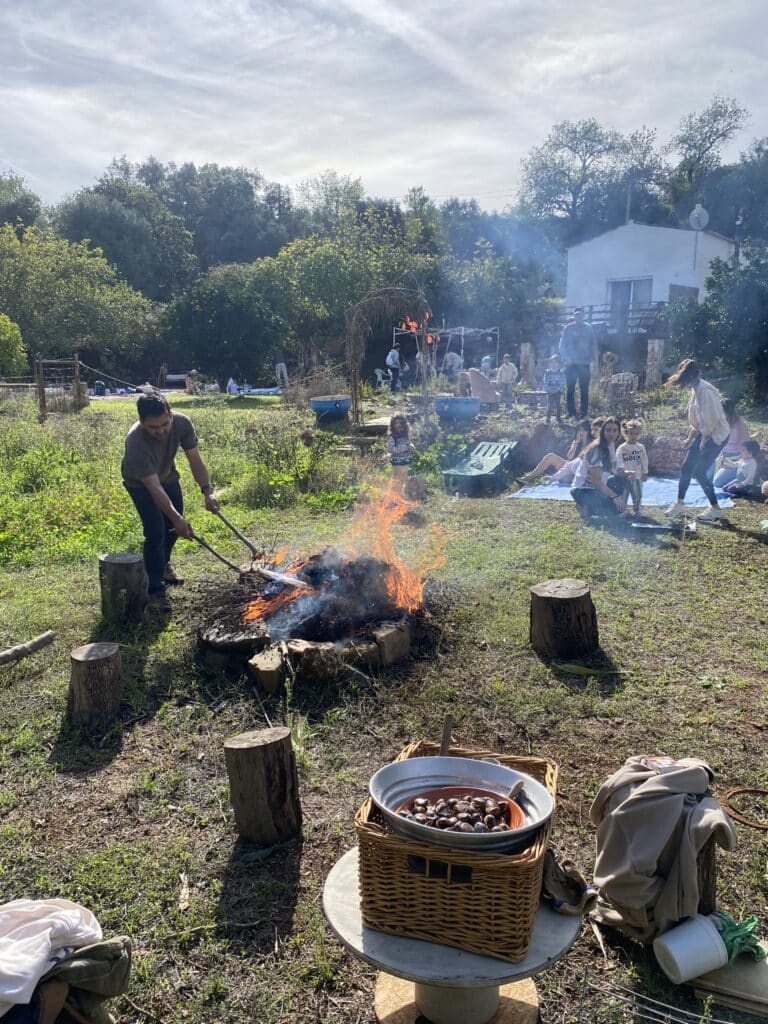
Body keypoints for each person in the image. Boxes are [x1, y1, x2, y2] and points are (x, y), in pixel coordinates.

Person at [121, 391, 219, 612]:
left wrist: (207, 492)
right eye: (153, 427)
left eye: (165, 424)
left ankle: (163, 565)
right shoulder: (135, 442)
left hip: (167, 476)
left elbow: (195, 459)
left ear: (171, 415)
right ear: (141, 422)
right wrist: (177, 519)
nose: (161, 431)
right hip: (140, 484)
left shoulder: (182, 423)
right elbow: (153, 487)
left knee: (173, 527)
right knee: (156, 530)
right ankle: (155, 590)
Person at [663, 359, 730, 521]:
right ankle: (680, 504)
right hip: (704, 433)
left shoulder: (705, 391)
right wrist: (690, 439)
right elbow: (697, 422)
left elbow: (712, 422)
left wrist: (703, 443)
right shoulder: (694, 390)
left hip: (717, 436)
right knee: (687, 467)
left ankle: (716, 509)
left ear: (694, 376)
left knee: (699, 472)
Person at [570, 417, 627, 517]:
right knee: (608, 512)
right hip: (583, 491)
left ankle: (616, 507)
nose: (611, 433)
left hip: (597, 489)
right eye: (608, 430)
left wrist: (627, 473)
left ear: (619, 433)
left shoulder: (610, 446)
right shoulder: (597, 449)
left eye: (615, 430)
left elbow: (614, 469)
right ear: (603, 431)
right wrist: (614, 496)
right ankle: (586, 506)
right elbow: (596, 481)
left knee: (621, 480)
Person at [521, 419, 592, 485]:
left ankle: (557, 478)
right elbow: (570, 457)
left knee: (566, 477)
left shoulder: (592, 443)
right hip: (569, 467)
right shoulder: (576, 442)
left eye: (584, 430)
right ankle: (528, 478)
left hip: (581, 471)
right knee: (550, 456)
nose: (581, 432)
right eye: (579, 430)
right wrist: (575, 445)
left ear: (588, 431)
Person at [559, 307, 596, 418]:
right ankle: (571, 413)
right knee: (570, 390)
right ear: (573, 316)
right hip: (571, 364)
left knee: (584, 390)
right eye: (577, 315)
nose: (578, 317)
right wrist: (566, 358)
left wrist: (591, 359)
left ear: (584, 316)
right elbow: (562, 345)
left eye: (581, 315)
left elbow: (593, 345)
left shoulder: (589, 328)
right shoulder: (568, 328)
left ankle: (584, 414)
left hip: (584, 364)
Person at [711, 399, 751, 486]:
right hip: (722, 457)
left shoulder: (740, 425)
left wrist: (736, 464)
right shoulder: (720, 422)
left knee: (716, 483)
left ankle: (740, 477)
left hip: (736, 460)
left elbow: (747, 448)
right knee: (704, 477)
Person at [615, 419, 649, 516]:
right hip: (625, 477)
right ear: (626, 433)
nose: (634, 436)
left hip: (637, 477)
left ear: (639, 434)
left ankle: (636, 510)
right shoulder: (622, 448)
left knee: (637, 494)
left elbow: (644, 461)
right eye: (631, 433)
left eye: (636, 434)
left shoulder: (640, 447)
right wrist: (621, 471)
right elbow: (618, 461)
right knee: (624, 494)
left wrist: (645, 473)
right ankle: (622, 510)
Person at [386, 414, 414, 493]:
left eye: (400, 423)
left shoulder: (405, 435)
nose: (398, 425)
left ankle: (401, 496)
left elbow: (408, 443)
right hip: (397, 463)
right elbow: (391, 449)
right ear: (392, 424)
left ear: (404, 424)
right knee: (396, 482)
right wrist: (405, 448)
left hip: (406, 462)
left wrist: (411, 445)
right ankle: (393, 497)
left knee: (403, 481)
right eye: (396, 423)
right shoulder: (392, 436)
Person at [542, 354, 566, 424]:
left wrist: (558, 389)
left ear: (559, 364)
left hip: (557, 392)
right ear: (550, 363)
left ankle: (558, 418)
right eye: (552, 362)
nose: (554, 364)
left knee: (558, 405)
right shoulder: (547, 373)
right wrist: (548, 389)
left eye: (556, 362)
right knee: (550, 405)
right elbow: (545, 382)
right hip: (550, 391)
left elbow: (562, 382)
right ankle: (548, 418)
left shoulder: (560, 373)